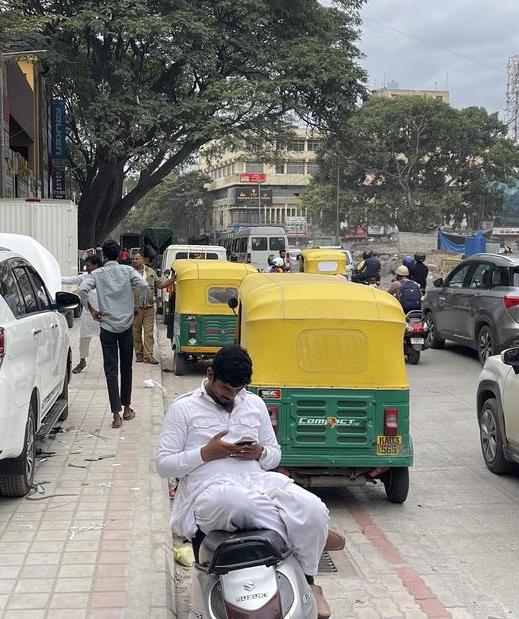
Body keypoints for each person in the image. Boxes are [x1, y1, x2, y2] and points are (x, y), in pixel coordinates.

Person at [155, 345, 340, 618]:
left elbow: (274, 454)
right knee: (242, 505)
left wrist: (260, 452)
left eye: (238, 390)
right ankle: (307, 534)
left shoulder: (254, 404)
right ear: (210, 375)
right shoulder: (183, 409)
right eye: (226, 389)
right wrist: (206, 453)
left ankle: (311, 583)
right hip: (209, 489)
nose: (231, 396)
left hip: (257, 480)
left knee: (313, 508)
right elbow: (163, 464)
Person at [79, 240, 149, 428]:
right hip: (126, 326)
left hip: (107, 326)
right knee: (126, 368)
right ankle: (127, 409)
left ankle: (116, 414)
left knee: (111, 370)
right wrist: (139, 305)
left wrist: (92, 310)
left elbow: (82, 290)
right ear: (119, 255)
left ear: (103, 256)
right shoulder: (127, 271)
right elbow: (143, 285)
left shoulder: (98, 273)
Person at [61, 253, 102, 374]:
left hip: (103, 315)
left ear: (96, 265)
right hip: (88, 314)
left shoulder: (105, 276)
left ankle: (110, 363)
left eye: (89, 265)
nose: (87, 268)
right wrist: (50, 276)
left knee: (106, 340)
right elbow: (68, 280)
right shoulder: (84, 277)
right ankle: (82, 361)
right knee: (84, 340)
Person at [131, 252, 160, 365]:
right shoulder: (130, 273)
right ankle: (139, 354)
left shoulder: (151, 272)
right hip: (135, 308)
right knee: (136, 332)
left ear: (142, 260)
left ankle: (148, 356)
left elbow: (160, 285)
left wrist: (173, 279)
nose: (135, 261)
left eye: (137, 259)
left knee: (149, 333)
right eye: (133, 259)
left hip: (149, 307)